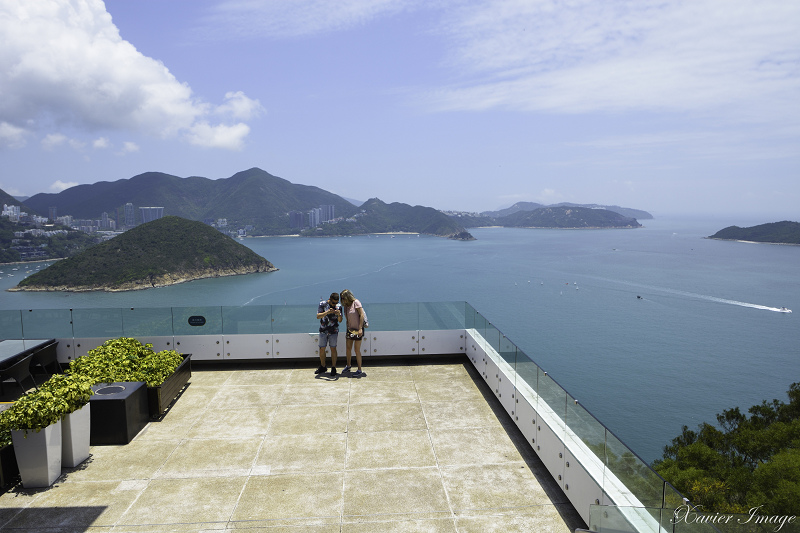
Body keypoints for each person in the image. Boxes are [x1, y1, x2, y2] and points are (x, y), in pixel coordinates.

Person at [339, 289, 365, 376]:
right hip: (350, 329)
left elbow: (361, 315)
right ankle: (348, 365)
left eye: (343, 298)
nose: (343, 300)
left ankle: (359, 369)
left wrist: (360, 328)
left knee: (357, 350)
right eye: (342, 298)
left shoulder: (356, 302)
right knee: (348, 349)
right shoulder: (346, 306)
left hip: (358, 329)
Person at [315, 292, 342, 375]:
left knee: (333, 348)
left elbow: (340, 320)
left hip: (333, 330)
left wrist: (338, 315)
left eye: (336, 302)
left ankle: (333, 367)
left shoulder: (339, 306)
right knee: (322, 348)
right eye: (333, 302)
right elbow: (318, 316)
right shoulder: (322, 304)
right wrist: (327, 312)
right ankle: (323, 366)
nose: (334, 304)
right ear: (329, 299)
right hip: (323, 330)